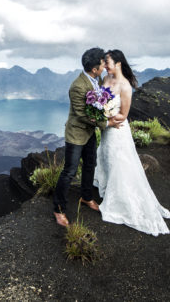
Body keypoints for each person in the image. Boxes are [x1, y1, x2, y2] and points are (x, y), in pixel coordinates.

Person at [93, 49, 170, 236]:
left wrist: (104, 115)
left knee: (120, 162)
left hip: (117, 131)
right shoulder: (105, 80)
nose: (105, 65)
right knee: (106, 157)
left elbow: (124, 115)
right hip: (107, 130)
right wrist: (99, 113)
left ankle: (121, 199)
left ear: (118, 63)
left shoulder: (125, 86)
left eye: (108, 61)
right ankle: (106, 189)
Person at [52, 47, 110, 227]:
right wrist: (106, 124)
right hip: (76, 134)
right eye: (102, 64)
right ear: (94, 69)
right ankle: (58, 209)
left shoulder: (97, 79)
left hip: (89, 133)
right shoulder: (78, 86)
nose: (104, 66)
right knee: (69, 171)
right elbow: (82, 114)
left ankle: (86, 197)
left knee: (90, 165)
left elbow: (100, 102)